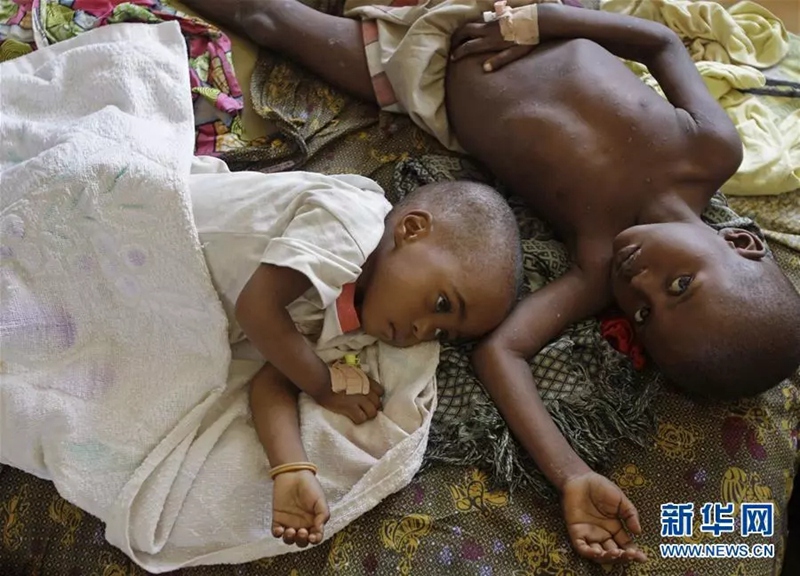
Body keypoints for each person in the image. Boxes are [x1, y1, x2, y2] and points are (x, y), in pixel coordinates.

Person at [182, 0, 800, 563]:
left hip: (422, 73)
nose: (642, 283)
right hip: (513, 13)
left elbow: (501, 353)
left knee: (269, 20)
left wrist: (572, 475)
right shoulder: (712, 151)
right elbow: (659, 43)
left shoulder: (596, 267)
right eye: (681, 286)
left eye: (643, 313)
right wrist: (539, 21)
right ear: (741, 243)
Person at [188, 155, 523, 548]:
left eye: (442, 333)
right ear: (412, 230)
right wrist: (323, 385)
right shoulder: (352, 221)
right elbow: (257, 309)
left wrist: (292, 468)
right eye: (442, 304)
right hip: (169, 225)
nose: (424, 331)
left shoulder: (355, 327)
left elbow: (274, 380)